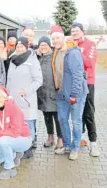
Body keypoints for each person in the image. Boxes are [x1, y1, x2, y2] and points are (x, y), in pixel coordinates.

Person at [51, 25, 88, 160]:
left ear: (63, 38)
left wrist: (73, 94)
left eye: (58, 38)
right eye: (53, 39)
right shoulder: (56, 52)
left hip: (75, 93)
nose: (56, 41)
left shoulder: (72, 52)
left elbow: (78, 75)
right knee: (62, 119)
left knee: (76, 121)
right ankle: (67, 145)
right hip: (61, 92)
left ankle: (75, 148)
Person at [6, 37, 43, 159]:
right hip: (14, 99)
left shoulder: (32, 60)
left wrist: (26, 91)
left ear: (26, 47)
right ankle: (19, 147)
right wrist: (8, 94)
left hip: (27, 99)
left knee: (28, 124)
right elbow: (9, 79)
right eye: (17, 47)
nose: (19, 49)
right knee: (16, 124)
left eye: (22, 46)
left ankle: (28, 148)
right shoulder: (12, 60)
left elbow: (38, 80)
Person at [0, 84, 32, 180]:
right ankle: (14, 154)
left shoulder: (13, 108)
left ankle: (9, 168)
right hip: (6, 139)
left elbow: (15, 131)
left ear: (5, 97)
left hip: (23, 139)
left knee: (3, 141)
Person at [71, 22, 100, 157]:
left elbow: (89, 63)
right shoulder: (70, 44)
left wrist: (77, 51)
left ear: (82, 32)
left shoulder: (90, 44)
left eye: (77, 31)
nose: (74, 33)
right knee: (77, 113)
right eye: (72, 31)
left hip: (87, 83)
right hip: (74, 83)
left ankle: (93, 143)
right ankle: (80, 138)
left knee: (88, 113)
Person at [36, 36, 63, 149]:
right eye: (41, 45)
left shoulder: (55, 55)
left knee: (57, 118)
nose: (43, 47)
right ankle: (50, 136)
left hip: (55, 92)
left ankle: (60, 139)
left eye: (45, 45)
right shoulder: (38, 58)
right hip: (43, 93)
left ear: (49, 45)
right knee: (47, 117)